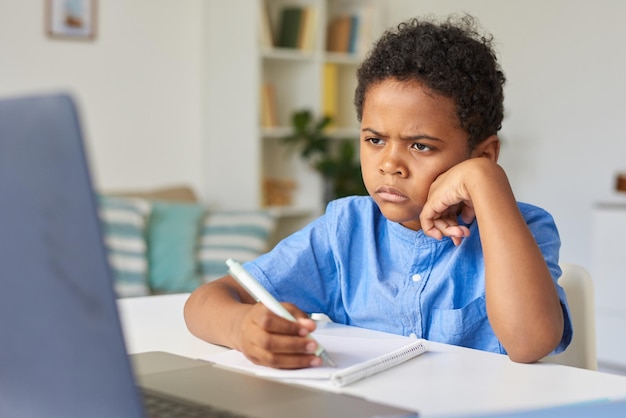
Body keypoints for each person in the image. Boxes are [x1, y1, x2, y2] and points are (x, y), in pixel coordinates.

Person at [184, 14, 572, 369]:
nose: (390, 164)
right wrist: (241, 328)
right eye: (374, 140)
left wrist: (487, 181)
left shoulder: (522, 227)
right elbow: (202, 304)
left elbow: (530, 342)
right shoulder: (346, 231)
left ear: (483, 154)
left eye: (420, 146)